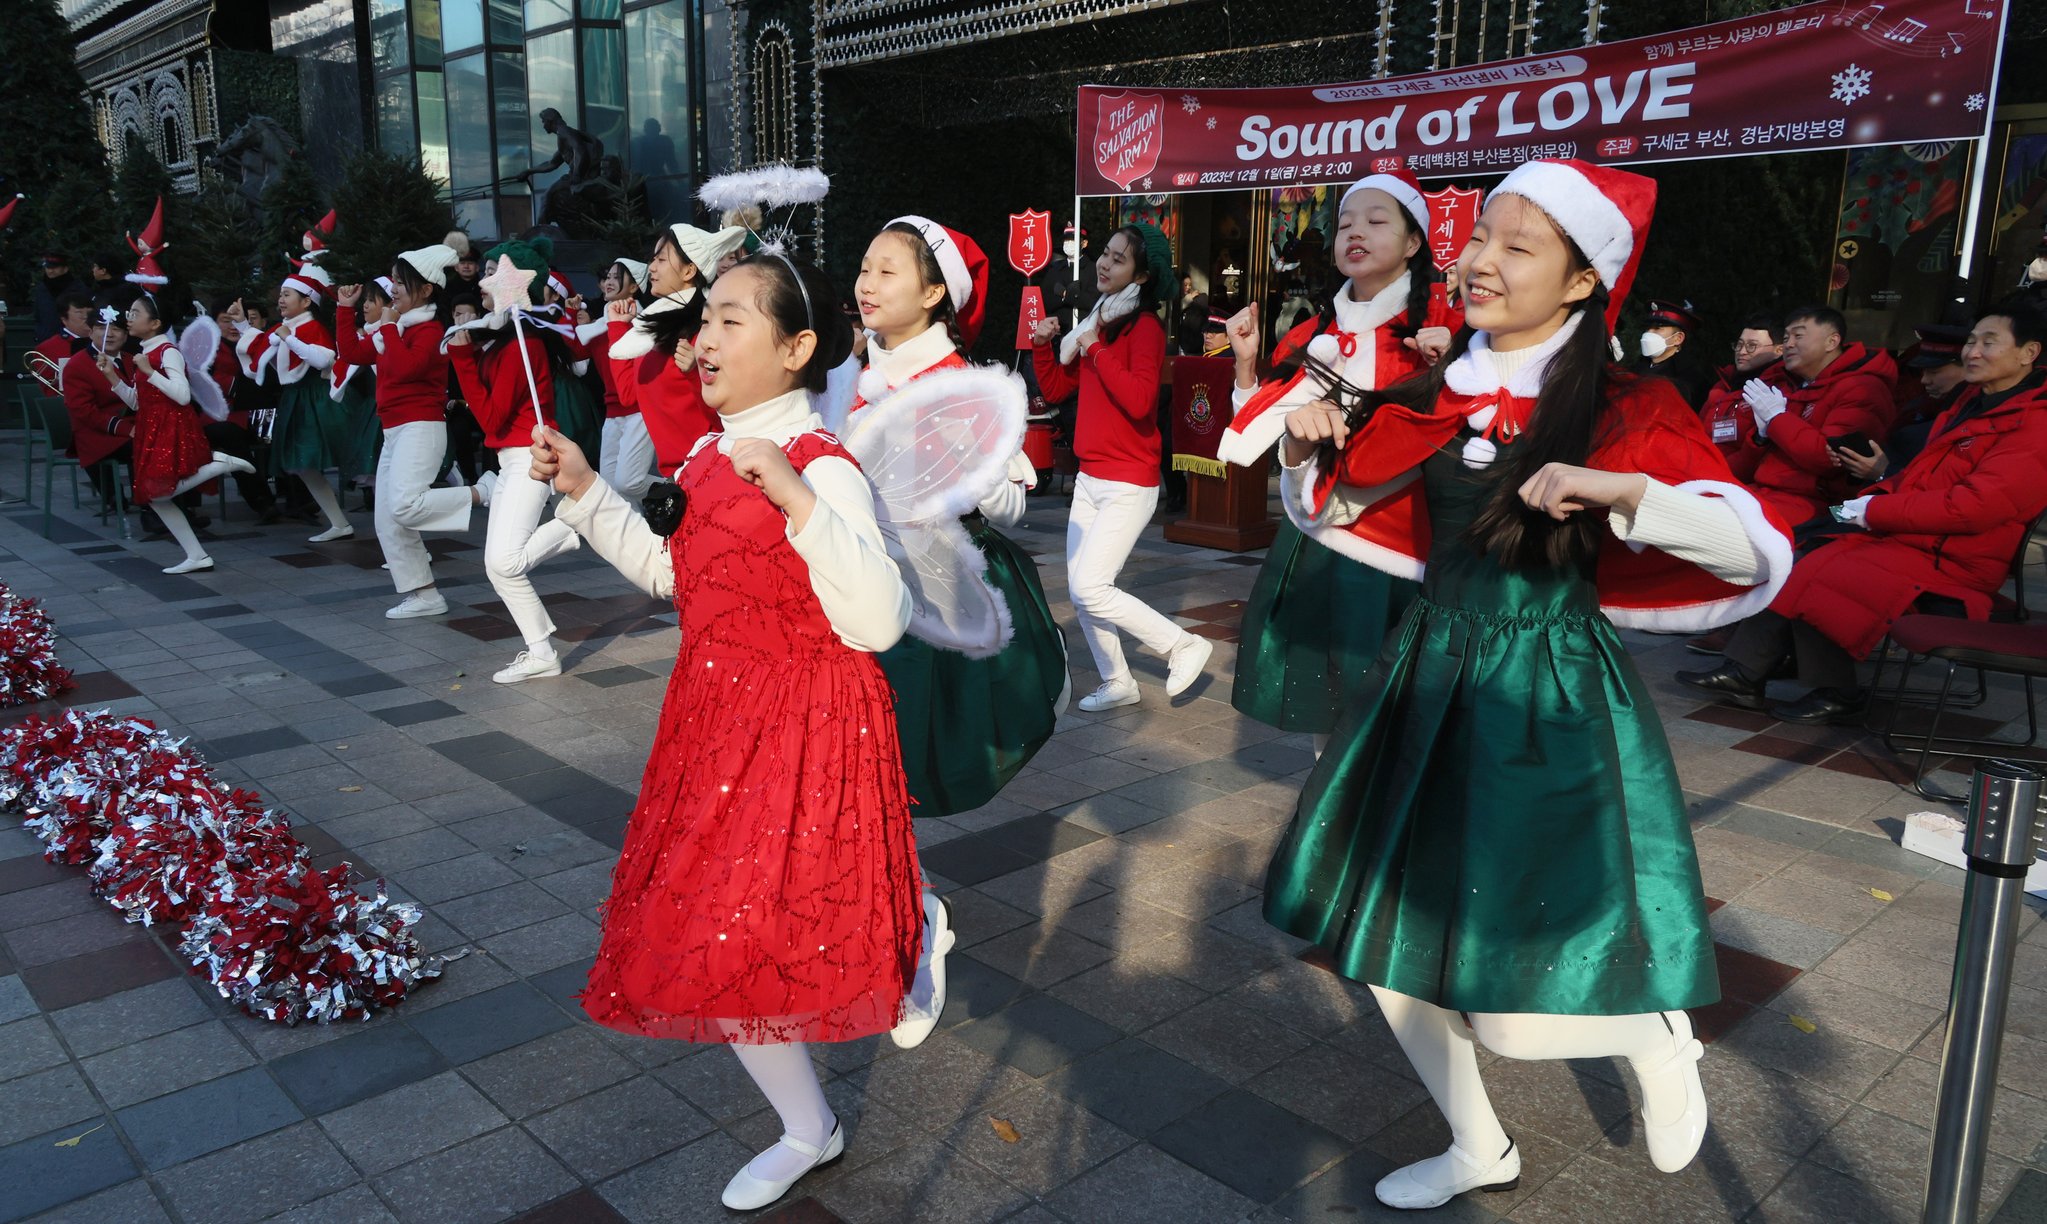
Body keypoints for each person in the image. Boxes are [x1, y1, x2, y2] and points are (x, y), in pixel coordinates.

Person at [1264, 159, 1795, 1209]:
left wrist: (1627, 488)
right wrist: (1296, 448)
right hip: (1424, 678)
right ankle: (1477, 1145)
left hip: (1542, 697)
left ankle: (1651, 1037)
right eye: (1480, 239)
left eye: (1518, 246)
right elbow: (1334, 513)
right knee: (1381, 943)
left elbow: (1748, 554)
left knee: (1510, 1004)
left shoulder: (1625, 406)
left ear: (1582, 280)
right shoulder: (1431, 391)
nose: (1479, 264)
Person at [531, 250, 918, 1214]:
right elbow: (676, 580)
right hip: (712, 726)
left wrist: (794, 497)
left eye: (733, 320)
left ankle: (907, 944)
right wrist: (584, 489)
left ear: (796, 349)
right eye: (705, 317)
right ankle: (809, 1129)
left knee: (753, 931)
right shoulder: (704, 457)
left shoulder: (823, 465)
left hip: (807, 727)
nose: (703, 337)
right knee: (720, 938)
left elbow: (878, 621)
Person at [849, 216, 1069, 1044]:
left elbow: (1011, 497)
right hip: (852, 584)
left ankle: (915, 929)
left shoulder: (961, 383)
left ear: (935, 291)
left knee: (885, 770)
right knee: (862, 770)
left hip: (930, 605)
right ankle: (917, 911)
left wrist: (960, 469)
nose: (867, 282)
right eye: (865, 267)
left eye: (887, 270)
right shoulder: (850, 371)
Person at [1680, 302, 2047, 725]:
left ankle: (1823, 687)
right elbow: (1917, 476)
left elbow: (1974, 507)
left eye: (1988, 343)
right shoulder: (1974, 402)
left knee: (1822, 567)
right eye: (1970, 342)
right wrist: (1866, 502)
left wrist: (1877, 508)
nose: (1972, 352)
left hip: (1956, 557)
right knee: (1814, 547)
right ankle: (1755, 674)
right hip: (1915, 535)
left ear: (2028, 352)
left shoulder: (2031, 423)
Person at [1218, 170, 1456, 749]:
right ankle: (1335, 815)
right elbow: (1266, 432)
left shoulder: (1448, 333)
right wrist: (1246, 365)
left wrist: (1449, 371)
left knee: (1403, 709)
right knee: (1330, 698)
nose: (1355, 233)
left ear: (1413, 242)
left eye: (1377, 222)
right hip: (1319, 534)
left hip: (1408, 543)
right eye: (1345, 222)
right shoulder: (1307, 336)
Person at [1031, 221, 1213, 710]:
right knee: (1082, 588)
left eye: (1118, 258)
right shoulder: (1100, 323)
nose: (1105, 264)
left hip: (1128, 481)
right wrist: (1045, 342)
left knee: (1090, 586)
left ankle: (1184, 645)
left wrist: (1093, 346)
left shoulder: (1143, 328)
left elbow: (1138, 401)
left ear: (1142, 275)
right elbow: (1055, 391)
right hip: (1091, 478)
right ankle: (1119, 681)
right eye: (1105, 254)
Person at [448, 237, 577, 684]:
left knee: (505, 562)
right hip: (510, 460)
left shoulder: (526, 345)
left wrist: (464, 358)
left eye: (489, 275)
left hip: (530, 458)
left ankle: (580, 521)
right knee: (496, 565)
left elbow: (491, 417)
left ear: (511, 287)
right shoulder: (506, 341)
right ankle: (541, 652)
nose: (481, 284)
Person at [338, 244, 482, 620]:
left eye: (402, 283)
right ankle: (425, 594)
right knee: (387, 519)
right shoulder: (399, 326)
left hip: (422, 427)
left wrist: (386, 325)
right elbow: (352, 353)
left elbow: (405, 370)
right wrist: (343, 309)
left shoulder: (431, 329)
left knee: (404, 506)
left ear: (427, 289)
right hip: (396, 431)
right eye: (395, 282)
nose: (394, 289)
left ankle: (483, 492)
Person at [1725, 305, 1897, 530]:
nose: (1788, 344)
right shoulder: (1787, 384)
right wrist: (1760, 437)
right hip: (1762, 493)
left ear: (1831, 342)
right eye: (1785, 337)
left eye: (1798, 335)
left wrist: (1778, 418)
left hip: (1815, 506)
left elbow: (1828, 459)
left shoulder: (1862, 388)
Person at [123, 293, 258, 573]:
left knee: (159, 491)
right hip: (152, 425)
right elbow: (136, 401)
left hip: (170, 425)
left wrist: (148, 371)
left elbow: (183, 395)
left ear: (155, 322)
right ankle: (196, 555)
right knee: (156, 497)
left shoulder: (166, 351)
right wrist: (113, 378)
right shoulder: (146, 353)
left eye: (136, 313)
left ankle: (219, 464)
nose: (129, 318)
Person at [604, 224, 744, 474]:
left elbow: (728, 415)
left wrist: (697, 372)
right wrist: (617, 328)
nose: (652, 267)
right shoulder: (653, 326)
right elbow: (627, 394)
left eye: (661, 259)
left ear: (689, 270)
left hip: (712, 469)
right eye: (653, 259)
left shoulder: (706, 329)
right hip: (677, 474)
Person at [234, 263, 354, 541]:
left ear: (306, 300)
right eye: (281, 295)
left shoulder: (309, 327)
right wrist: (242, 324)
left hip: (314, 400)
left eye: (287, 294)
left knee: (311, 460)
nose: (281, 299)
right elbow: (260, 346)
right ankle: (339, 523)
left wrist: (290, 340)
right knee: (301, 465)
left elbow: (324, 358)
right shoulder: (284, 328)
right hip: (296, 400)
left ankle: (344, 521)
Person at [575, 255, 658, 502]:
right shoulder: (600, 324)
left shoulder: (642, 323)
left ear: (634, 287)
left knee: (628, 482)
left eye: (616, 277)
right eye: (607, 276)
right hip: (612, 411)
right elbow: (576, 355)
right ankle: (641, 532)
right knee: (611, 486)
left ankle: (678, 487)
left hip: (638, 409)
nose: (609, 281)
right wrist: (570, 313)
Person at [61, 306, 137, 511]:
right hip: (99, 432)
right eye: (101, 327)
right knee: (144, 447)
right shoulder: (77, 365)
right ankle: (151, 507)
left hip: (135, 424)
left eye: (116, 329)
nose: (109, 334)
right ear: (90, 331)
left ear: (126, 333)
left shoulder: (133, 360)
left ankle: (180, 504)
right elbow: (83, 411)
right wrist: (124, 428)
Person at [1698, 312, 1783, 459]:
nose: (1742, 352)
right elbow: (1697, 431)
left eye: (1752, 346)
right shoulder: (1723, 385)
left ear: (1779, 351)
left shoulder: (1777, 392)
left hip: (1731, 476)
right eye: (1739, 344)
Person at [1887, 322, 1969, 468]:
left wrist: (1883, 472)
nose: (1925, 380)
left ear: (1968, 368)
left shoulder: (1971, 415)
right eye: (1923, 372)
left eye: (1934, 372)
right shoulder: (1915, 409)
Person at [1633, 298, 1713, 409]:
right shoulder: (1634, 370)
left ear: (1678, 339)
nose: (1649, 333)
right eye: (1648, 328)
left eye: (1657, 328)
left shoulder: (1691, 380)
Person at [33, 292, 93, 376]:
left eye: (90, 313)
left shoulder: (105, 342)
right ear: (64, 319)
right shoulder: (47, 348)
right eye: (79, 313)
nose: (86, 317)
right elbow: (49, 386)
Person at [31, 253, 85, 341]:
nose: (50, 271)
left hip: (71, 341)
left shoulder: (78, 289)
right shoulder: (42, 289)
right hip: (45, 340)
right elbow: (38, 316)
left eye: (54, 268)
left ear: (65, 268)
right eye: (48, 267)